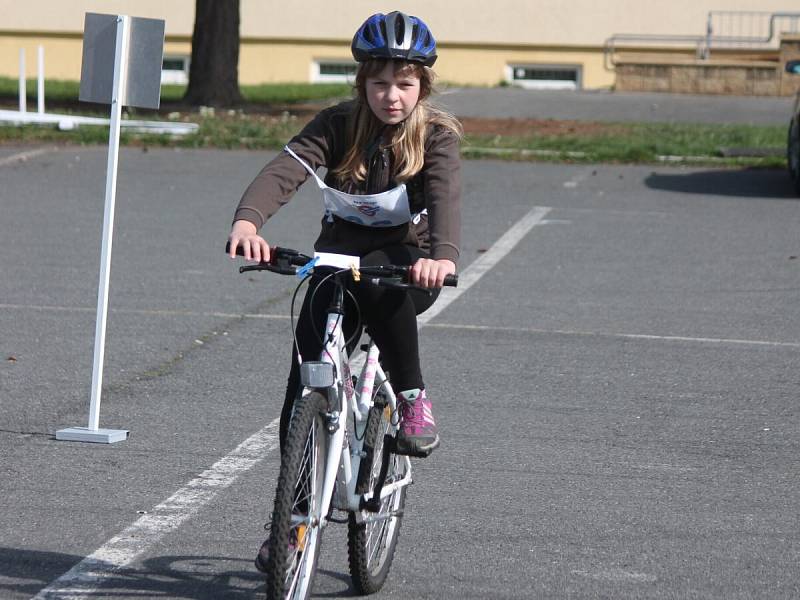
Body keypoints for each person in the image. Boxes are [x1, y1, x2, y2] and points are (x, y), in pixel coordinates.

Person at [228, 10, 461, 466]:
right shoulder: (337, 125)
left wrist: (444, 257)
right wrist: (247, 222)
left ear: (423, 88)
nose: (391, 97)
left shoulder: (436, 136)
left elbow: (445, 195)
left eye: (405, 85)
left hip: (404, 267)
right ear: (361, 85)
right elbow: (287, 169)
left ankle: (412, 396)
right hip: (338, 260)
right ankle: (294, 523)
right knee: (302, 386)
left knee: (376, 284)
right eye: (379, 85)